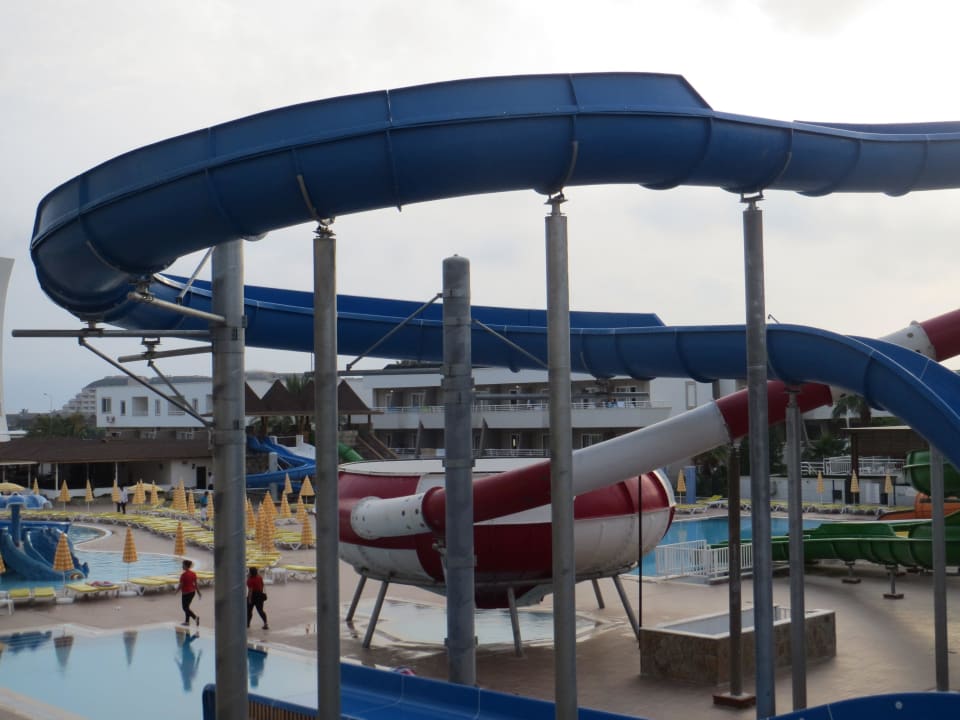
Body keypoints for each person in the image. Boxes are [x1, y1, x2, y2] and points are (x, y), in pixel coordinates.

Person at [175, 559, 201, 627]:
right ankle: (187, 622)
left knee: (185, 608)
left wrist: (176, 591)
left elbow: (181, 585)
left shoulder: (183, 575)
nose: (182, 566)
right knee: (187, 607)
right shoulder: (193, 574)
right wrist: (199, 593)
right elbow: (196, 584)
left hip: (186, 593)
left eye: (183, 565)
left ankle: (195, 617)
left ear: (186, 566)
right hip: (192, 593)